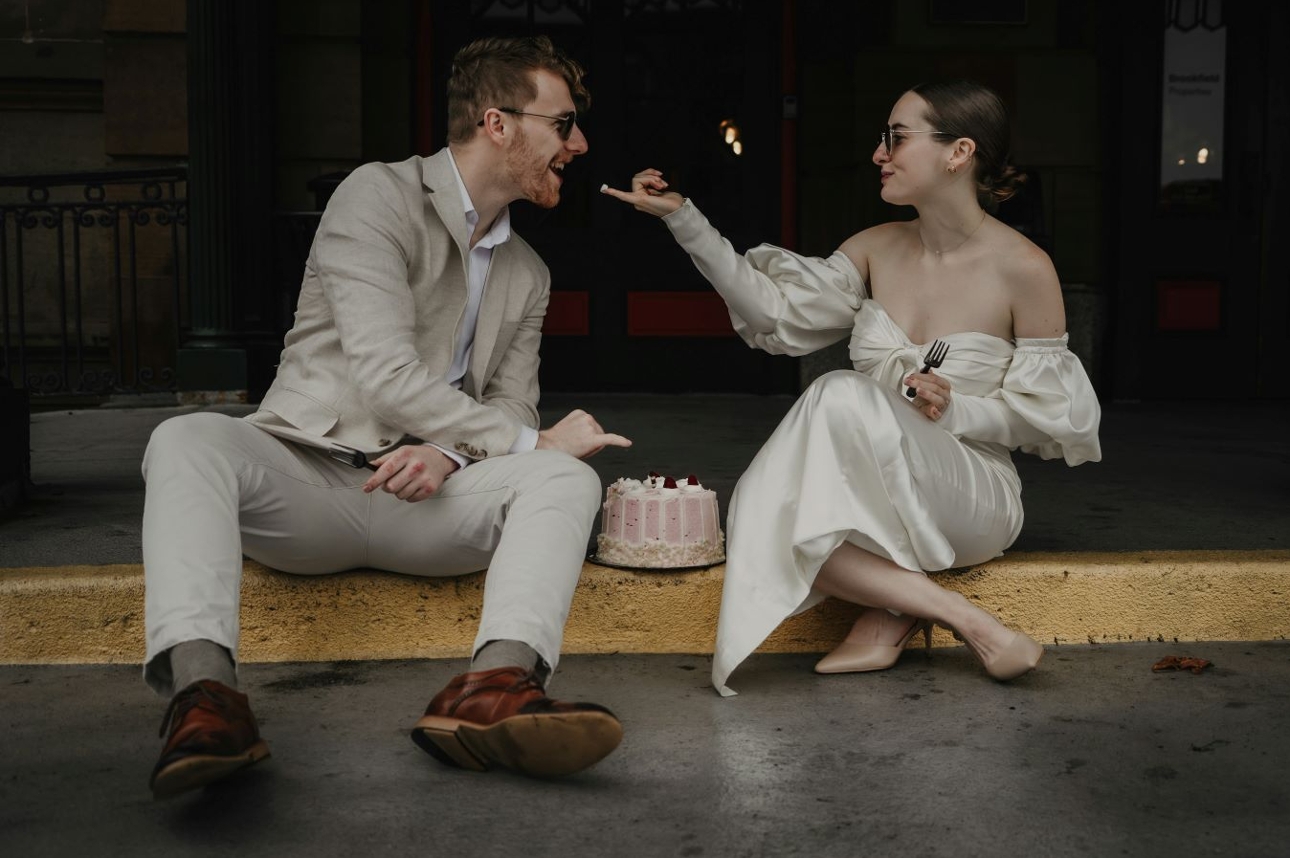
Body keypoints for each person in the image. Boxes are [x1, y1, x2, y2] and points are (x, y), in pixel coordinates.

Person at [143, 35, 631, 798]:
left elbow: (510, 400)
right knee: (184, 439)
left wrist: (454, 453)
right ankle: (204, 702)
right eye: (563, 124)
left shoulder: (528, 272)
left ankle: (492, 690)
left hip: (427, 504)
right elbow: (384, 373)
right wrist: (531, 441)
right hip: (308, 478)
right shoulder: (377, 195)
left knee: (564, 483)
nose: (579, 144)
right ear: (499, 123)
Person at [603, 80, 1101, 696]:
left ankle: (892, 607)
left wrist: (957, 410)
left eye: (897, 137)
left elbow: (1047, 422)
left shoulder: (1025, 268)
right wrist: (686, 221)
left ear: (958, 152)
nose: (878, 153)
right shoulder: (874, 248)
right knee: (766, 513)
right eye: (881, 138)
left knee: (837, 393)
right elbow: (773, 314)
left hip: (972, 493)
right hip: (876, 487)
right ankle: (961, 620)